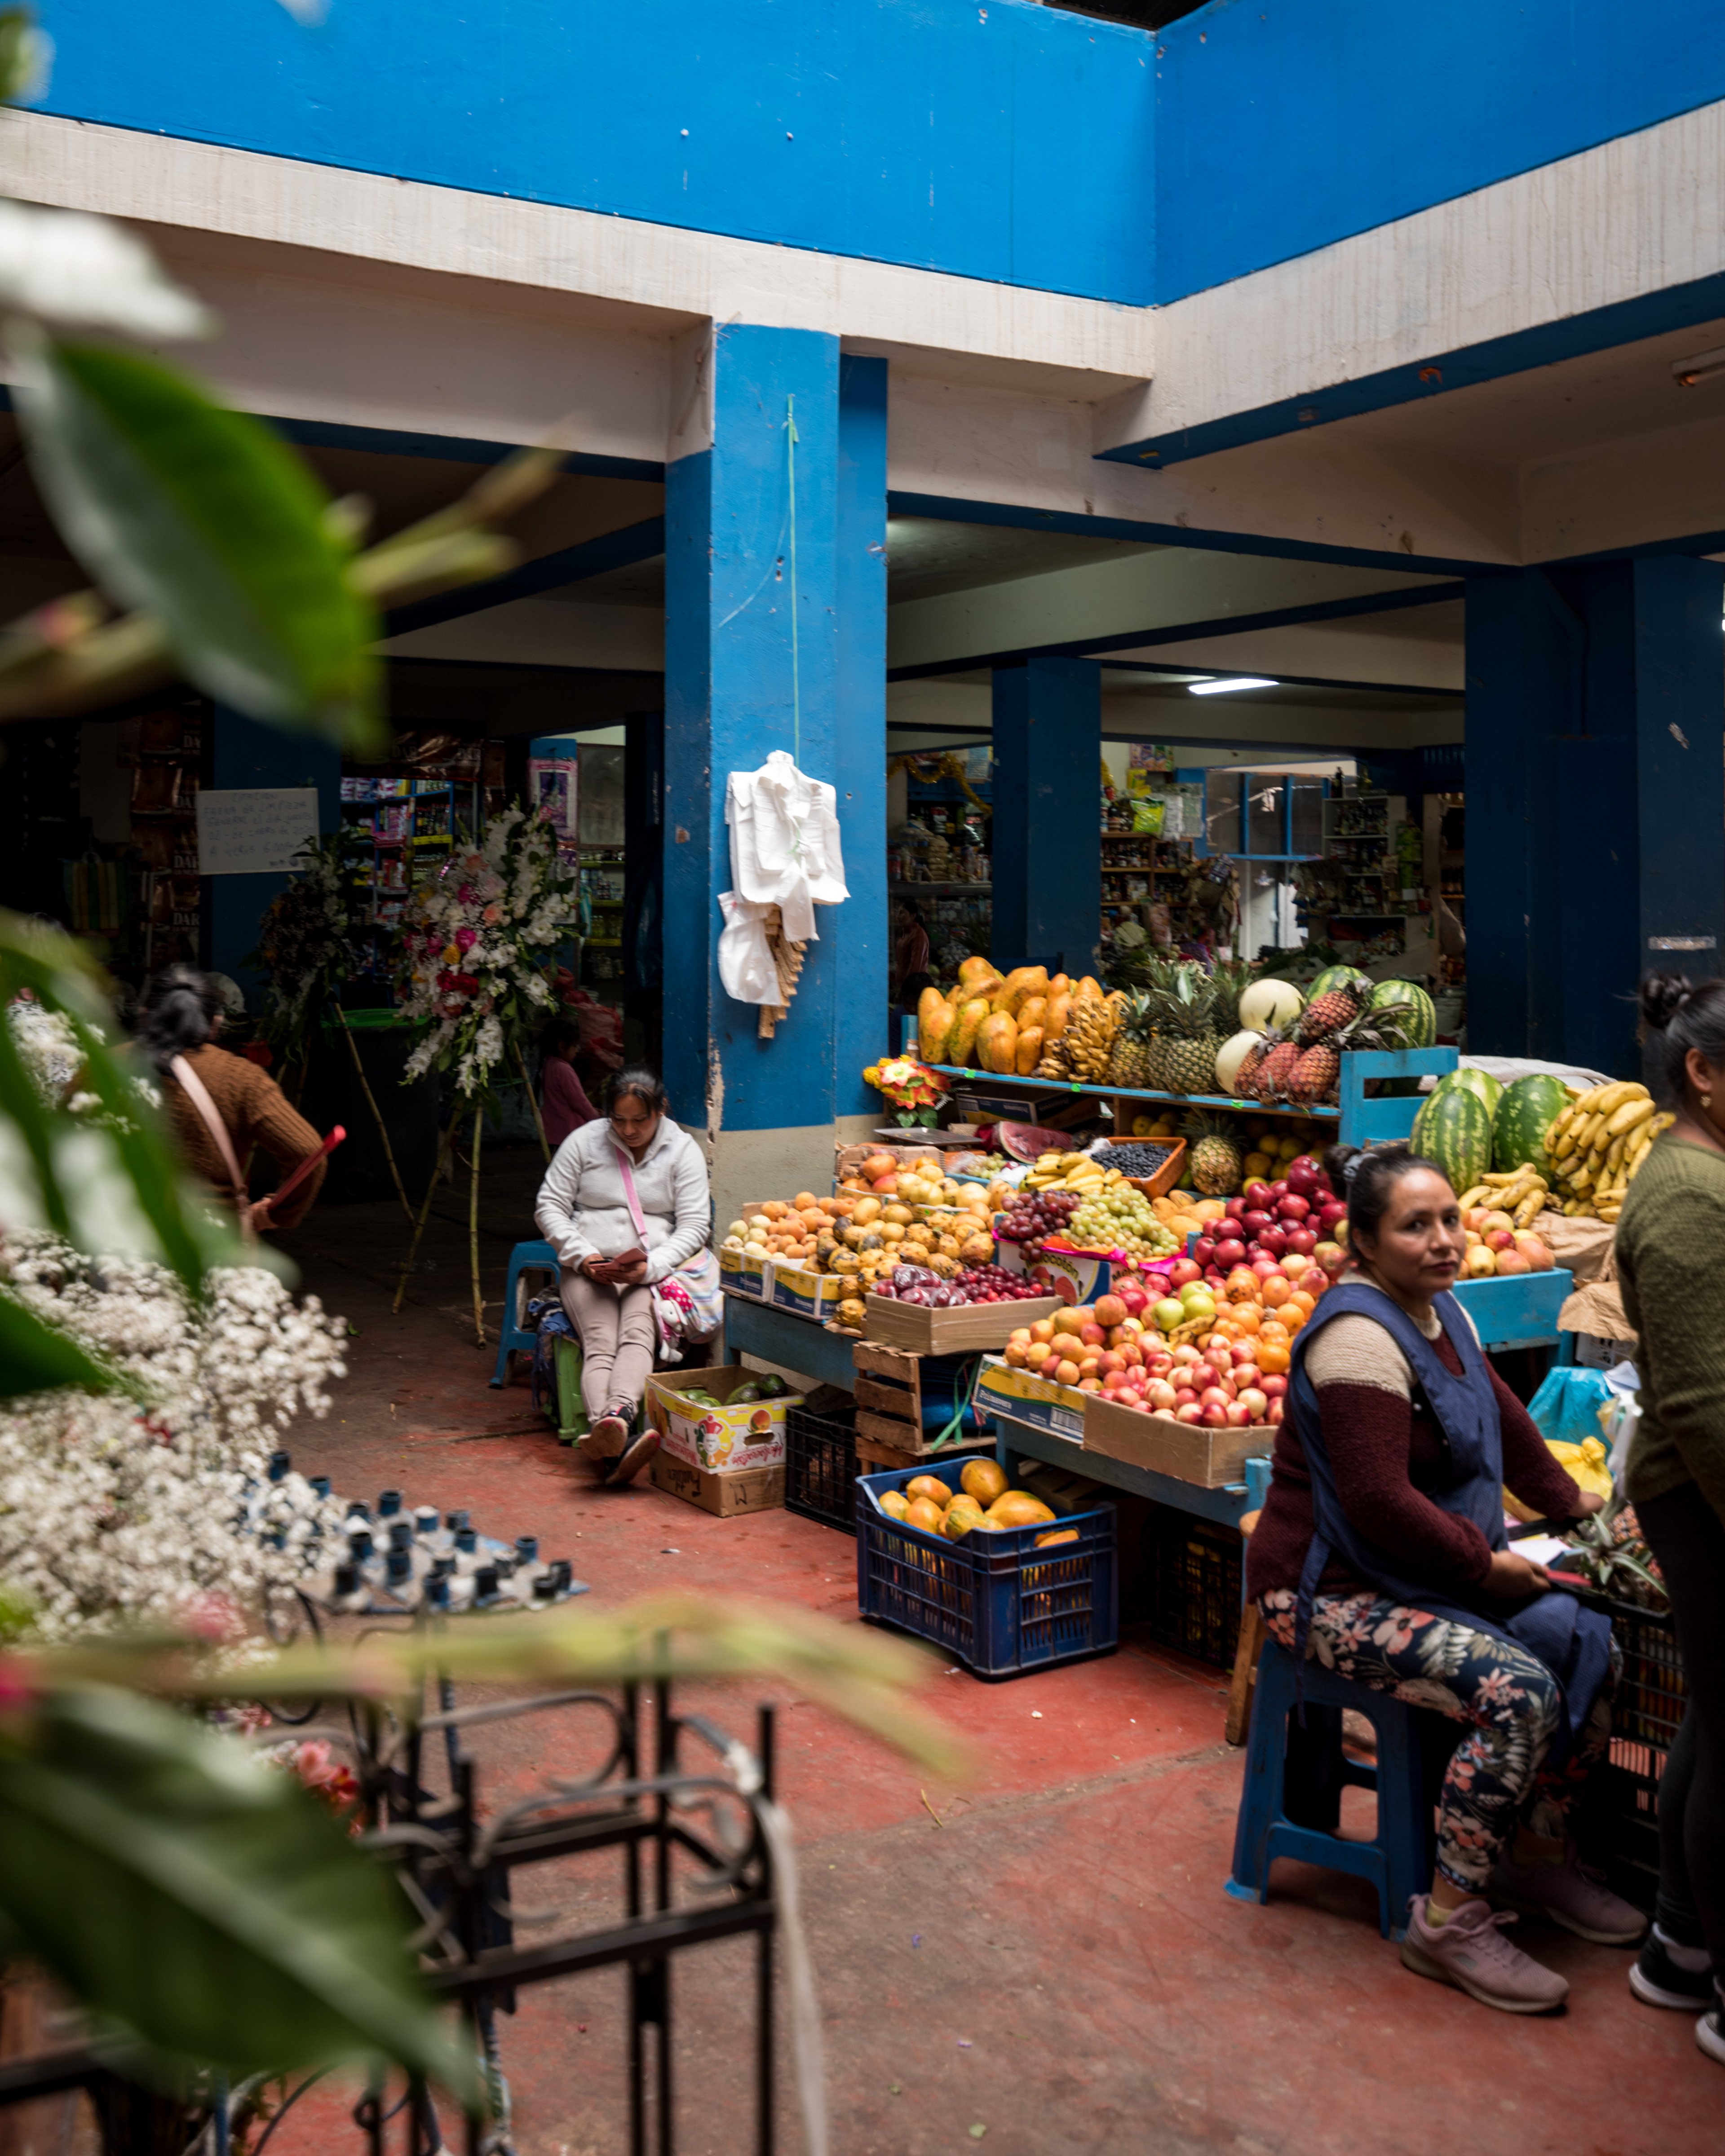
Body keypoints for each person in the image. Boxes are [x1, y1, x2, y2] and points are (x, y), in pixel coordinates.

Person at [1246, 1142, 1644, 2014]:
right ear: (1363, 1242)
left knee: (1585, 1638)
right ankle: (1450, 1921)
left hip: (1418, 1572)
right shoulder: (1356, 1338)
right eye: (1414, 1226)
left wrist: (1580, 1509)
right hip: (1332, 1594)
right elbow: (1380, 1504)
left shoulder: (1444, 1313)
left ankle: (1533, 1859)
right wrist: (1487, 1566)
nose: (1443, 1241)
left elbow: (1505, 1422)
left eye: (1450, 1220)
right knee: (1519, 1691)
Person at [1615, 974, 1725, 2063]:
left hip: (1689, 1485)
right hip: (1701, 1491)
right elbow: (1700, 1397)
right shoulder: (1690, 1188)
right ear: (1701, 1070)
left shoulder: (1700, 1170)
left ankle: (1678, 1945)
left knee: (1712, 1714)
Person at [533, 1065, 711, 1486]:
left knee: (636, 1334)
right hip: (588, 1268)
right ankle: (613, 1429)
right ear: (607, 1113)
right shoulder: (584, 1142)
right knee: (601, 1341)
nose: (629, 1130)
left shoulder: (682, 1151)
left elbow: (695, 1226)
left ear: (661, 1110)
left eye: (640, 1120)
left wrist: (651, 1267)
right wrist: (582, 1256)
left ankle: (613, 1427)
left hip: (647, 1269)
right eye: (619, 1119)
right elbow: (549, 1207)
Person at [138, 966, 327, 1234]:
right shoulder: (240, 1077)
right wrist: (276, 1213)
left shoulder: (103, 1070)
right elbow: (308, 1153)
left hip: (116, 1242)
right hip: (210, 1241)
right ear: (215, 1023)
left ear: (145, 1016)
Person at [537, 1018, 599, 1149]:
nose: (577, 1050)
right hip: (570, 1130)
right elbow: (579, 1102)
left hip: (554, 1131)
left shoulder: (548, 1065)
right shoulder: (564, 1069)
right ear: (562, 1047)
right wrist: (596, 1117)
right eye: (575, 1046)